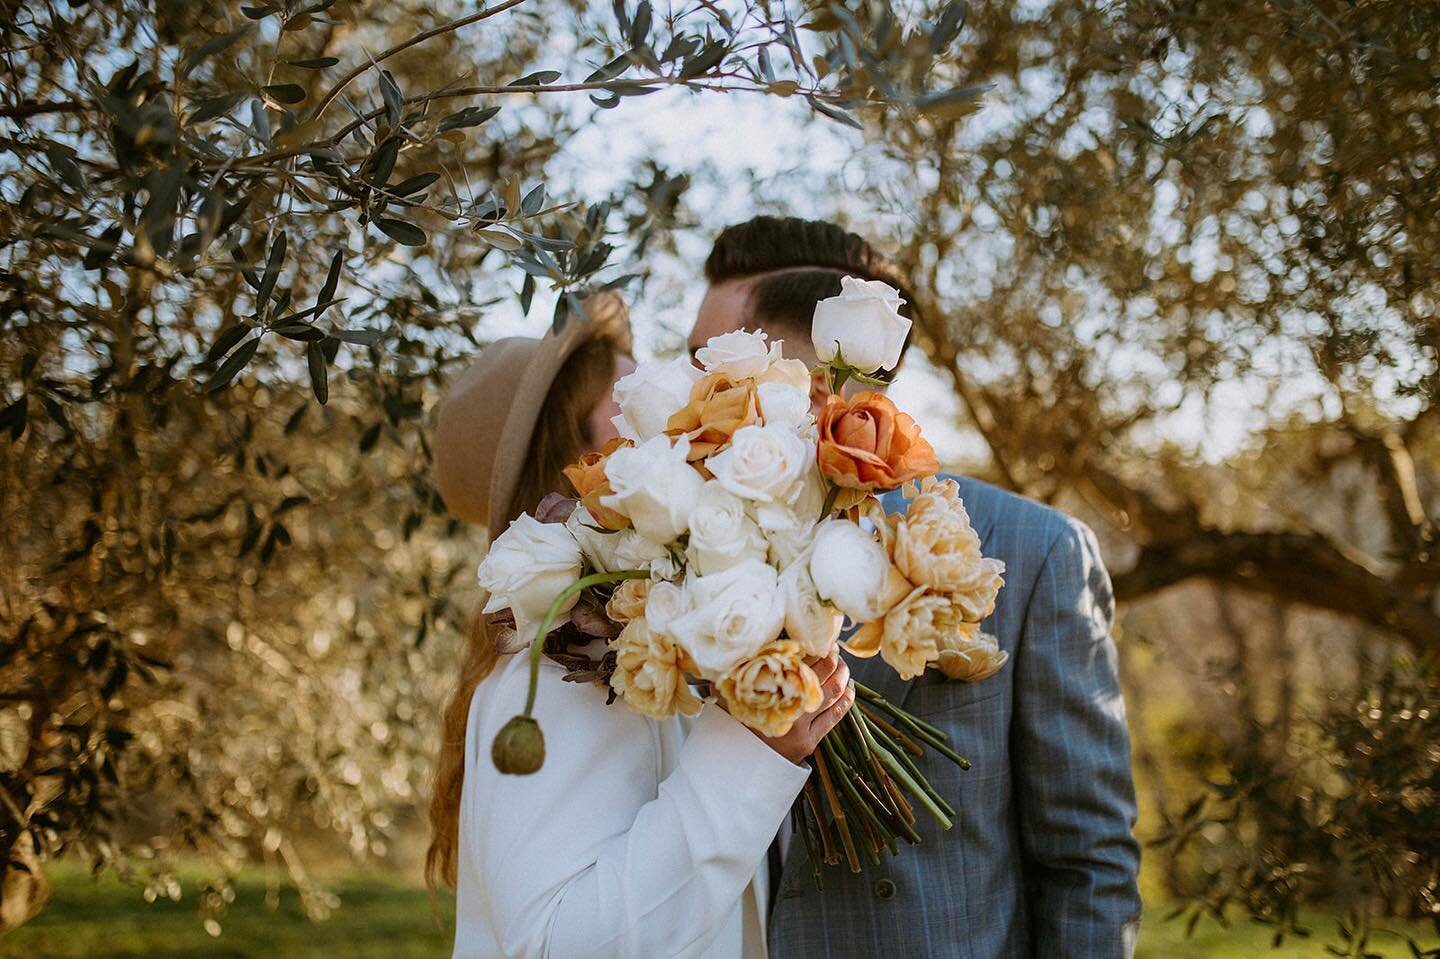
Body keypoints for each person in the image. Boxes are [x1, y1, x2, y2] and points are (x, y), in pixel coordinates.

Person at [691, 217, 1144, 958]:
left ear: (805, 375)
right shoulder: (695, 553)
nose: (691, 391)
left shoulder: (1034, 554)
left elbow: (1088, 865)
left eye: (708, 363)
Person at [427, 292, 857, 959]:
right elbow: (552, 946)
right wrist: (751, 753)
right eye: (631, 402)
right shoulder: (558, 674)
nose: (677, 419)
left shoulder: (629, 648)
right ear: (575, 461)